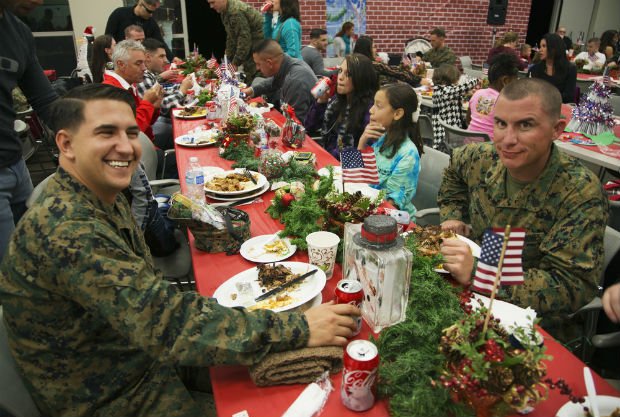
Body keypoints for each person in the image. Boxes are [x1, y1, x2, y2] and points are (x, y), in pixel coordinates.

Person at [0, 83, 360, 416]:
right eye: (106, 133)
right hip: (112, 392)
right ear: (65, 144)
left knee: (302, 366)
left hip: (134, 352)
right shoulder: (68, 228)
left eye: (129, 132)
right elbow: (166, 324)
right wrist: (297, 327)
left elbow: (155, 309)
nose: (126, 146)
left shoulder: (96, 196)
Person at [437, 78, 608, 343]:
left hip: (527, 328)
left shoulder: (579, 192)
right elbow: (454, 174)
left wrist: (479, 272)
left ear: (557, 129)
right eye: (501, 123)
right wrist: (453, 215)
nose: (507, 139)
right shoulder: (480, 158)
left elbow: (571, 286)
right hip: (468, 301)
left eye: (525, 125)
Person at [0, 0, 58, 262]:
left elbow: (45, 100)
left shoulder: (18, 31)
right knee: (11, 269)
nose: (40, 2)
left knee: (32, 259)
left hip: (16, 164)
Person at [357, 84, 423, 217]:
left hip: (390, 222)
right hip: (367, 208)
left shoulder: (408, 153)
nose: (371, 110)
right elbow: (351, 173)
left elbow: (392, 204)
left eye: (378, 106)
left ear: (397, 114)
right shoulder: (382, 138)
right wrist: (362, 142)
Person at [304, 53, 378, 159]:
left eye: (348, 74)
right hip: (327, 160)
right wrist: (321, 101)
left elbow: (367, 153)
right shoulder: (336, 101)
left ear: (361, 78)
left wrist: (328, 156)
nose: (340, 78)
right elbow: (309, 126)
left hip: (349, 168)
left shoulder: (370, 110)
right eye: (340, 71)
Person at [102, 40, 163, 142]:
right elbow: (132, 132)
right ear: (121, 64)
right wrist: (147, 103)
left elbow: (146, 124)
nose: (144, 68)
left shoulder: (129, 84)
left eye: (144, 62)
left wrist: (155, 107)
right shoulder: (111, 91)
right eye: (138, 63)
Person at [243, 39, 317, 122]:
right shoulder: (287, 65)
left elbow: (294, 124)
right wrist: (251, 90)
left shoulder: (295, 80)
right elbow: (272, 81)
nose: (257, 68)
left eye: (258, 64)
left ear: (269, 63)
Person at [138, 38, 192, 151]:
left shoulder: (149, 75)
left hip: (151, 125)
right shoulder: (143, 77)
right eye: (161, 56)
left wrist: (182, 86)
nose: (166, 60)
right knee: (187, 131)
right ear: (148, 57)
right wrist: (182, 91)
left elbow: (164, 93)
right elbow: (163, 106)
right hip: (150, 130)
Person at [208, 0, 263, 84]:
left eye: (213, 2)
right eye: (209, 3)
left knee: (253, 74)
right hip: (250, 44)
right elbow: (231, 36)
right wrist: (228, 60)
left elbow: (244, 39)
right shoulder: (224, 11)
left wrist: (235, 63)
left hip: (258, 46)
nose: (211, 6)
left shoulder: (235, 11)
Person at [105, 0, 178, 62]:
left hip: (139, 59)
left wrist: (172, 58)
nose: (151, 15)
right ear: (140, 4)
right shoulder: (119, 14)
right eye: (149, 11)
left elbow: (160, 42)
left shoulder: (151, 22)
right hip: (119, 58)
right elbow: (108, 38)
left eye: (153, 12)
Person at [467, 53, 519, 140]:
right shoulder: (504, 101)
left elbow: (468, 120)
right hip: (491, 150)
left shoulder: (477, 94)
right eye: (515, 81)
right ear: (505, 81)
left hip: (468, 148)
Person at [431, 63, 478, 151]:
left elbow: (455, 94)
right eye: (456, 79)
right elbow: (462, 88)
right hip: (445, 137)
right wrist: (477, 79)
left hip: (450, 131)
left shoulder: (442, 89)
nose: (457, 81)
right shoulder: (443, 91)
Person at [353, 35, 424, 88]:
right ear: (367, 49)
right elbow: (396, 72)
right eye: (374, 47)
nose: (376, 50)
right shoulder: (373, 65)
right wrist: (419, 80)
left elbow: (391, 71)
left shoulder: (354, 62)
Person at [528, 33, 577, 103]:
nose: (540, 50)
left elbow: (569, 96)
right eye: (540, 46)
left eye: (544, 46)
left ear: (554, 48)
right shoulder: (534, 69)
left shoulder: (570, 69)